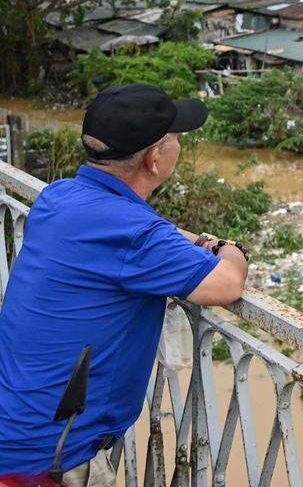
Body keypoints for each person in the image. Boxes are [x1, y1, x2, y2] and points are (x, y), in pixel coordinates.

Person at [0, 84, 249, 487]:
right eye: (174, 139)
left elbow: (148, 231)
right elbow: (227, 283)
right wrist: (229, 247)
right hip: (51, 457)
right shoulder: (133, 235)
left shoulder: (59, 197)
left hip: (15, 421)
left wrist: (191, 241)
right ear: (154, 158)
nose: (179, 146)